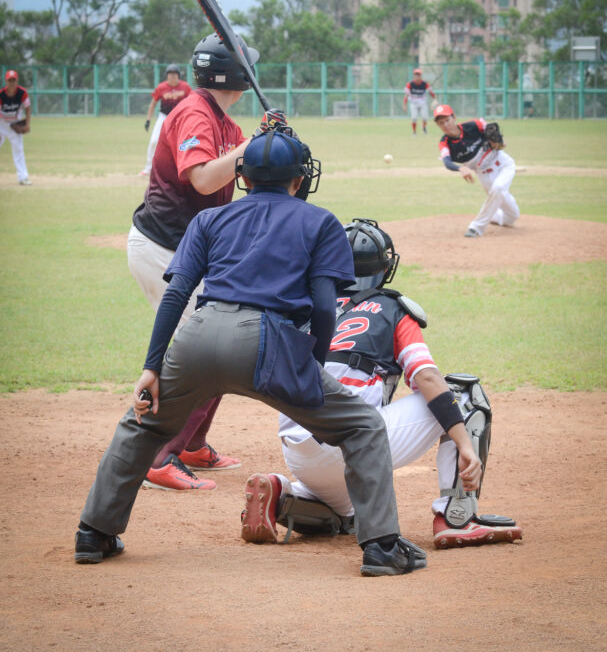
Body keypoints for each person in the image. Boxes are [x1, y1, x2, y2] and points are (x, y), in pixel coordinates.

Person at [74, 130, 437, 578]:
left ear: (242, 176)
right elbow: (325, 306)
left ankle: (94, 533)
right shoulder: (320, 221)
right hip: (269, 342)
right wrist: (314, 367)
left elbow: (176, 296)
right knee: (362, 426)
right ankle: (381, 546)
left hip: (197, 336)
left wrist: (152, 367)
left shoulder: (209, 220)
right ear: (298, 179)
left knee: (142, 425)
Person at [241, 219, 522, 550]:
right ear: (385, 266)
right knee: (463, 394)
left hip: (297, 448)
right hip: (353, 441)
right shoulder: (391, 309)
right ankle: (456, 516)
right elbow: (427, 378)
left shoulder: (304, 307)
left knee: (343, 514)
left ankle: (284, 493)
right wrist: (463, 443)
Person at [127, 33, 264, 491]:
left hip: (189, 253)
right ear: (234, 73)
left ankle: (190, 445)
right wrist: (249, 148)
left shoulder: (222, 119)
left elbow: (244, 168)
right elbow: (205, 179)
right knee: (205, 354)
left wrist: (270, 142)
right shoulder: (193, 111)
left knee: (219, 346)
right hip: (163, 250)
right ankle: (158, 456)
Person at [433, 104, 520, 238]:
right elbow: (447, 162)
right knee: (512, 216)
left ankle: (476, 227)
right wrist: (460, 168)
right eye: (441, 123)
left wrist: (499, 141)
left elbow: (492, 128)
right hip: (484, 175)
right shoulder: (445, 143)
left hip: (503, 165)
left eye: (447, 120)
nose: (445, 124)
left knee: (498, 188)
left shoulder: (473, 125)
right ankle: (493, 216)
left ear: (454, 118)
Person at [140, 64, 191, 176]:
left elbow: (192, 102)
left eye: (174, 74)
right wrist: (148, 120)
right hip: (164, 116)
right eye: (170, 74)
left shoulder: (185, 87)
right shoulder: (161, 87)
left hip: (179, 117)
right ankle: (148, 168)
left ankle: (184, 168)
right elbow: (153, 103)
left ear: (178, 76)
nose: (172, 76)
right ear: (167, 76)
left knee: (184, 142)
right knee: (154, 141)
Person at [0, 70, 32, 186]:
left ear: (17, 81)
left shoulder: (22, 93)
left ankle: (23, 177)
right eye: (10, 80)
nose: (12, 82)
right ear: (6, 81)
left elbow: (27, 108)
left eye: (14, 80)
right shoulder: (1, 94)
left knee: (18, 150)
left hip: (15, 124)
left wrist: (27, 124)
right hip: (1, 123)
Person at [402, 68, 436, 136]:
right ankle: (414, 132)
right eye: (416, 74)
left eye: (418, 74)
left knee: (425, 118)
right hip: (413, 103)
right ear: (414, 76)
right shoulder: (410, 84)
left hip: (422, 103)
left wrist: (435, 99)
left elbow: (431, 92)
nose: (417, 76)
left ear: (421, 76)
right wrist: (404, 105)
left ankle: (424, 128)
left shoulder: (425, 84)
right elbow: (406, 95)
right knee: (414, 118)